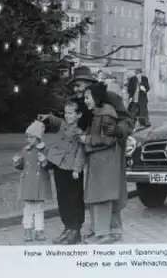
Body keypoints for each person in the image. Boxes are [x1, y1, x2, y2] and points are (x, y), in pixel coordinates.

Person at [67, 66, 134, 242]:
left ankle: (114, 229)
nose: (76, 90)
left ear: (90, 84)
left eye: (79, 85)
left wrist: (118, 130)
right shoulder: (83, 102)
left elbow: (128, 120)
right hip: (94, 151)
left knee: (111, 189)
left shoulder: (111, 99)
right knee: (96, 190)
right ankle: (97, 227)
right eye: (74, 86)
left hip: (113, 149)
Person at [37, 99, 88, 245]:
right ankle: (67, 228)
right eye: (66, 113)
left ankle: (75, 230)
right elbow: (58, 121)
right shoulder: (64, 126)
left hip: (72, 170)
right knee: (62, 199)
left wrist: (77, 169)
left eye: (71, 113)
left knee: (74, 200)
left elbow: (81, 152)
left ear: (78, 115)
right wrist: (49, 118)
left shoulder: (79, 132)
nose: (67, 116)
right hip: (59, 167)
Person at [82, 82, 123, 244]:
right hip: (99, 162)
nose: (85, 101)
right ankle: (103, 230)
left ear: (96, 98)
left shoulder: (106, 115)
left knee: (102, 198)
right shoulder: (100, 113)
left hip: (105, 162)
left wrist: (87, 139)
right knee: (98, 197)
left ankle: (104, 233)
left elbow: (108, 139)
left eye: (87, 97)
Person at [12, 120, 52, 242]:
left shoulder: (45, 149)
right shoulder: (25, 150)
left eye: (31, 137)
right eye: (27, 136)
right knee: (28, 208)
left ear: (38, 137)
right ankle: (27, 230)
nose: (28, 139)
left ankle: (39, 230)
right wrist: (17, 163)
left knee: (39, 208)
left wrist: (45, 161)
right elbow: (21, 166)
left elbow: (50, 166)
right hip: (28, 183)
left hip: (40, 182)